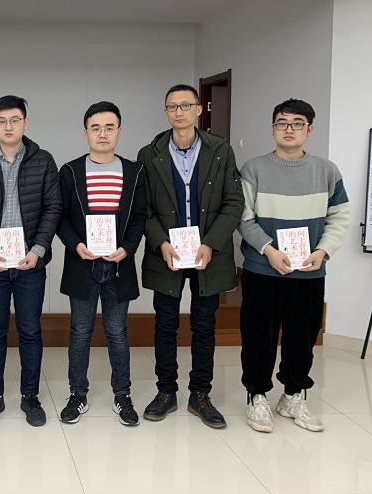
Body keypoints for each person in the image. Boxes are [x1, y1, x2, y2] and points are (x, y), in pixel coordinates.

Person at [239, 99, 349, 433]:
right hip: (263, 269)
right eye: (282, 123)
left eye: (297, 123)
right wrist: (268, 250)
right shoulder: (253, 169)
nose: (289, 129)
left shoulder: (327, 171)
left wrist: (323, 251)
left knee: (303, 336)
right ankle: (257, 396)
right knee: (259, 335)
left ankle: (293, 395)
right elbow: (244, 218)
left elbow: (339, 217)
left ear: (309, 129)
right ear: (272, 128)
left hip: (309, 271)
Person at [137, 84, 244, 429]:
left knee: (204, 324)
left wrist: (211, 242)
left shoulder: (220, 151)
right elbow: (143, 208)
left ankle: (200, 394)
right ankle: (166, 392)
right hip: (167, 253)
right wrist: (160, 242)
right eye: (172, 106)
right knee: (165, 324)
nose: (179, 112)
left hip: (207, 254)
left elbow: (234, 202)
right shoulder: (149, 154)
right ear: (165, 112)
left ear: (199, 110)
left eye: (186, 105)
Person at [0, 95, 62, 427]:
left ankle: (30, 396)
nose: (8, 127)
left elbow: (53, 208)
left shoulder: (43, 160)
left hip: (29, 263)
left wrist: (38, 250)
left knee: (30, 330)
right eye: (1, 121)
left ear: (25, 122)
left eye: (15, 120)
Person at [56, 101, 147, 426]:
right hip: (83, 264)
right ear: (86, 133)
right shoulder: (70, 172)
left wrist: (128, 248)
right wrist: (76, 245)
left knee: (117, 332)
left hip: (118, 265)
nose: (103, 133)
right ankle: (77, 395)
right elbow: (60, 217)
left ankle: (122, 395)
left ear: (119, 132)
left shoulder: (134, 172)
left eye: (109, 127)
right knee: (80, 331)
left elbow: (140, 216)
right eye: (96, 128)